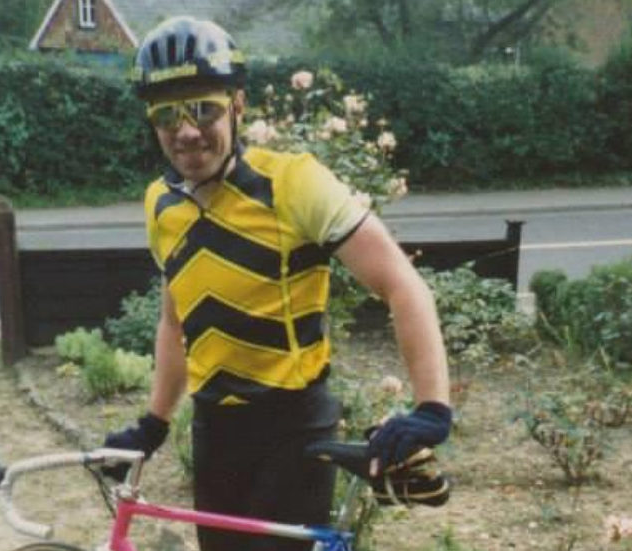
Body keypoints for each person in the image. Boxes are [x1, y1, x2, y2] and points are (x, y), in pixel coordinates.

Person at [103, 16, 452, 551]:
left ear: (237, 105)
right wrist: (155, 421)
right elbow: (176, 322)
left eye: (203, 109)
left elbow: (401, 283)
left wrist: (432, 408)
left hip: (294, 431)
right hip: (215, 431)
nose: (187, 130)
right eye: (167, 114)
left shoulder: (292, 183)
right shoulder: (160, 204)